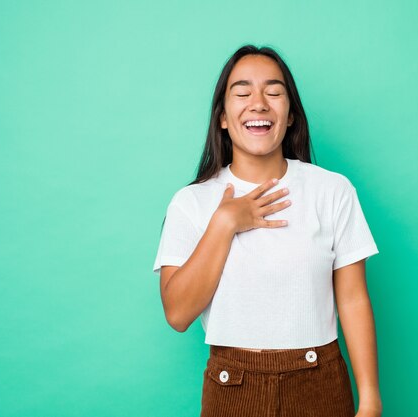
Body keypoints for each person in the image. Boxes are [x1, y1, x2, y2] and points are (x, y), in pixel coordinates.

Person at [152, 44, 383, 417]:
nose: (258, 103)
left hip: (319, 382)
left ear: (290, 115)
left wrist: (370, 399)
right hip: (233, 387)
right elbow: (177, 314)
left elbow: (353, 299)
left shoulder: (332, 190)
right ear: (223, 118)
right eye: (242, 93)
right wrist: (224, 224)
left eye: (274, 92)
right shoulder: (190, 203)